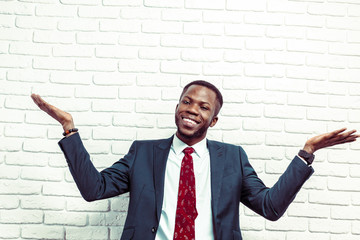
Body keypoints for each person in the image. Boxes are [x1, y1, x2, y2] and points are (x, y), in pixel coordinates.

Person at [31, 80, 359, 240]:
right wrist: (69, 129)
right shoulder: (143, 153)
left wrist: (307, 152)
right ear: (177, 107)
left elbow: (270, 207)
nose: (192, 109)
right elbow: (94, 188)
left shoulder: (232, 158)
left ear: (213, 121)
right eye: (186, 102)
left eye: (203, 107)